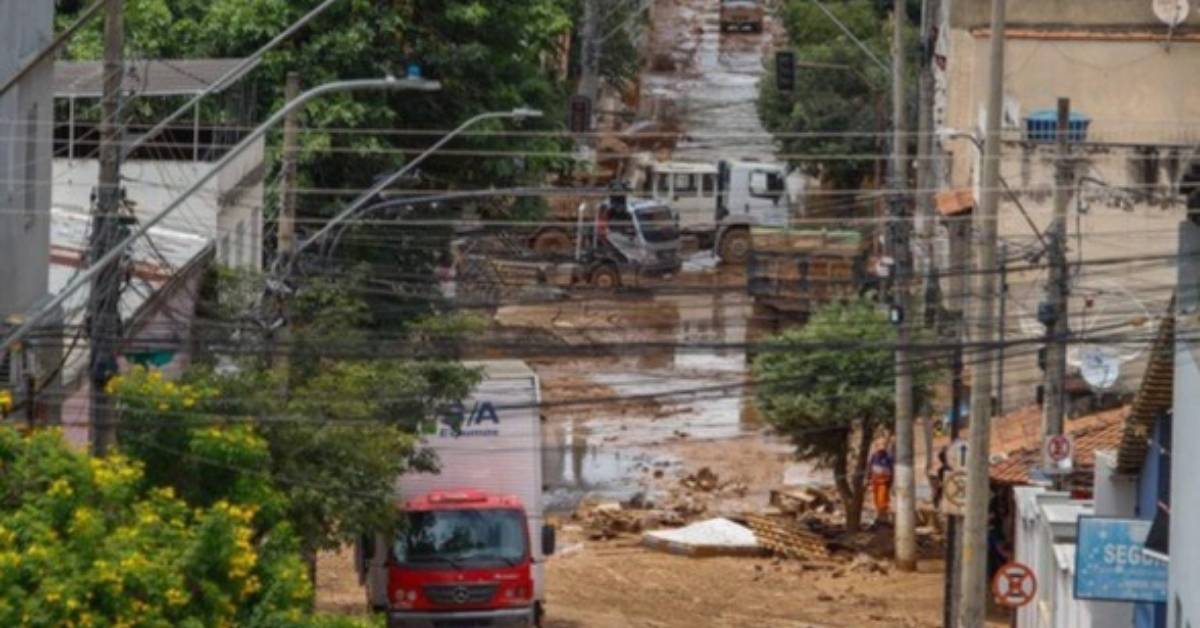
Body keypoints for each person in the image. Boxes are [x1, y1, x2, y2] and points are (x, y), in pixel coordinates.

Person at [868, 439, 895, 525]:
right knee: (876, 500)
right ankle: (880, 517)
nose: (881, 451)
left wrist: (891, 481)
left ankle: (883, 518)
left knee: (882, 500)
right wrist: (869, 479)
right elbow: (870, 468)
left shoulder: (888, 457)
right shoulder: (874, 456)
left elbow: (892, 470)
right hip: (875, 481)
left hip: (884, 482)